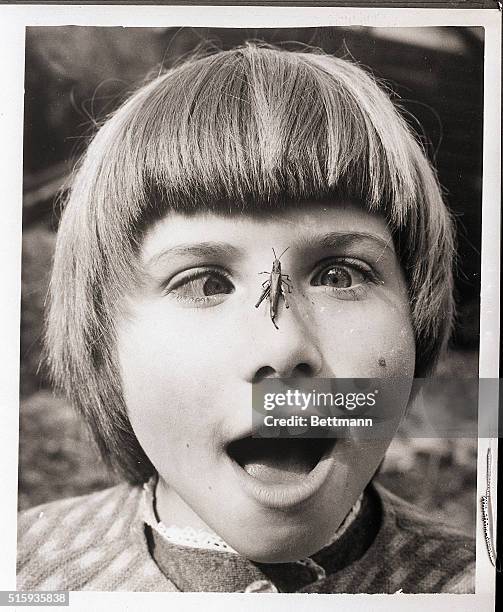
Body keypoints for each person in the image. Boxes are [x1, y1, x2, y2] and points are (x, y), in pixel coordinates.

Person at [17, 43, 474, 593]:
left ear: (416, 318)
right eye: (207, 283)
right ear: (104, 342)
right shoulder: (25, 571)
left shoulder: (472, 586)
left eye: (339, 276)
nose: (281, 348)